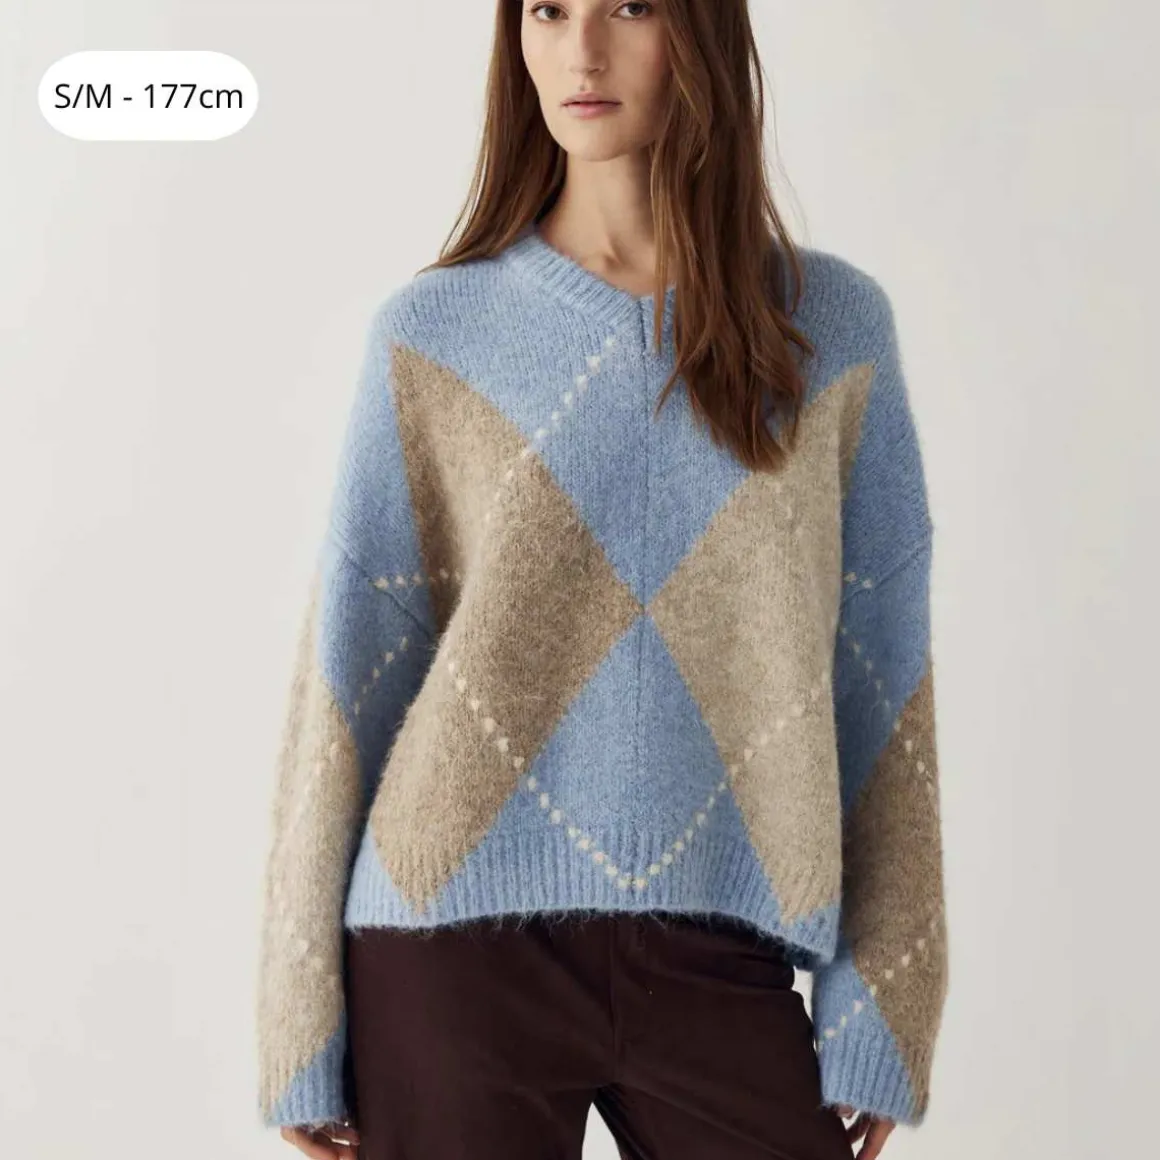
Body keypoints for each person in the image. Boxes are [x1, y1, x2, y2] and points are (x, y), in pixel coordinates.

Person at [254, 1, 949, 1158]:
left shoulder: (830, 329)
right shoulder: (434, 334)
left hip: (721, 950)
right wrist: (297, 1023)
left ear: (701, 33)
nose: (579, 51)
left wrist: (886, 994)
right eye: (547, 9)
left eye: (628, 6)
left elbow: (881, 684)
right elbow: (347, 679)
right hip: (449, 949)